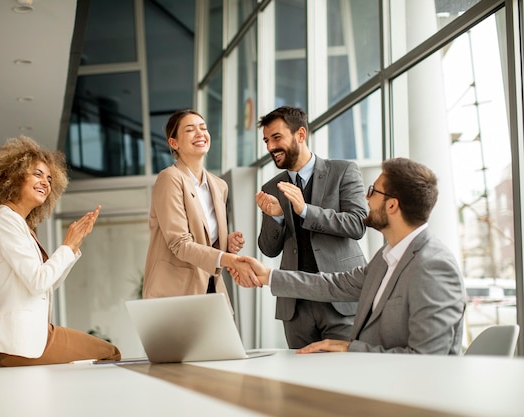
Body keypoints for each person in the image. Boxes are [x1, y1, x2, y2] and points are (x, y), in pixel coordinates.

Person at [232, 158, 466, 354]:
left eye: (373, 191)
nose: (366, 198)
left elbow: (428, 361)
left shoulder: (433, 266)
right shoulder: (385, 259)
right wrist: (268, 276)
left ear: (392, 206)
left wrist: (350, 349)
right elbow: (334, 284)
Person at [0, 135, 121, 367]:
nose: (46, 183)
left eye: (50, 179)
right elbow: (38, 281)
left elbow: (46, 284)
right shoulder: (5, 221)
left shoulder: (19, 224)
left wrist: (73, 247)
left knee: (85, 361)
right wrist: (66, 246)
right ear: (13, 176)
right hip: (18, 342)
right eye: (38, 174)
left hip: (25, 339)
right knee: (110, 352)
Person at [256, 106, 367, 348]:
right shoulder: (271, 187)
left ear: (301, 134)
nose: (270, 147)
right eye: (266, 140)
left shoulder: (343, 171)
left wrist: (305, 210)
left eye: (276, 137)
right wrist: (276, 217)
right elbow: (268, 248)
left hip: (340, 301)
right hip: (296, 306)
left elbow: (358, 223)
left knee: (348, 376)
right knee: (300, 381)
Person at [143, 109, 258, 308]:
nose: (200, 133)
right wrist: (230, 259)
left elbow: (204, 242)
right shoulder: (170, 178)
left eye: (203, 128)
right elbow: (180, 243)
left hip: (212, 288)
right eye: (190, 130)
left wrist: (224, 242)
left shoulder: (219, 186)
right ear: (174, 143)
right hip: (176, 294)